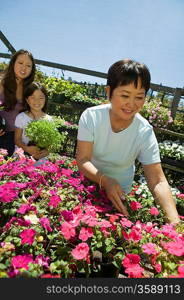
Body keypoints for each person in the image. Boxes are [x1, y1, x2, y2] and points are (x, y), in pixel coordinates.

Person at [76, 58, 180, 224]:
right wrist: (106, 180)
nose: (131, 104)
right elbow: (83, 159)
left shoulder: (144, 131)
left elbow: (158, 180)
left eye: (139, 97)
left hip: (120, 194)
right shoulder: (92, 116)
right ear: (109, 91)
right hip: (89, 183)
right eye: (125, 95)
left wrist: (175, 224)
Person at [0, 49, 36, 156]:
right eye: (20, 63)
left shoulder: (30, 89)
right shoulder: (2, 82)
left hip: (17, 138)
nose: (24, 68)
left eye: (28, 65)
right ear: (13, 63)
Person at [14, 82, 52, 160]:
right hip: (22, 156)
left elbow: (50, 144)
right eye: (33, 97)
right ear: (27, 100)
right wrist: (27, 148)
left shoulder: (49, 119)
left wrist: (46, 151)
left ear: (45, 99)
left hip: (41, 159)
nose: (37, 101)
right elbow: (17, 140)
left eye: (41, 98)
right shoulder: (21, 117)